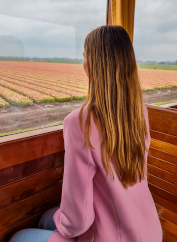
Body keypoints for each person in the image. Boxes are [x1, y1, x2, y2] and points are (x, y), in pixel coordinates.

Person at [10, 25, 162, 242]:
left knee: (19, 236)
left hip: (111, 237)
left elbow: (77, 222)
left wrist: (64, 222)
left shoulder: (79, 123)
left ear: (94, 64)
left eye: (85, 57)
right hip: (149, 232)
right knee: (46, 218)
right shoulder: (140, 112)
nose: (83, 64)